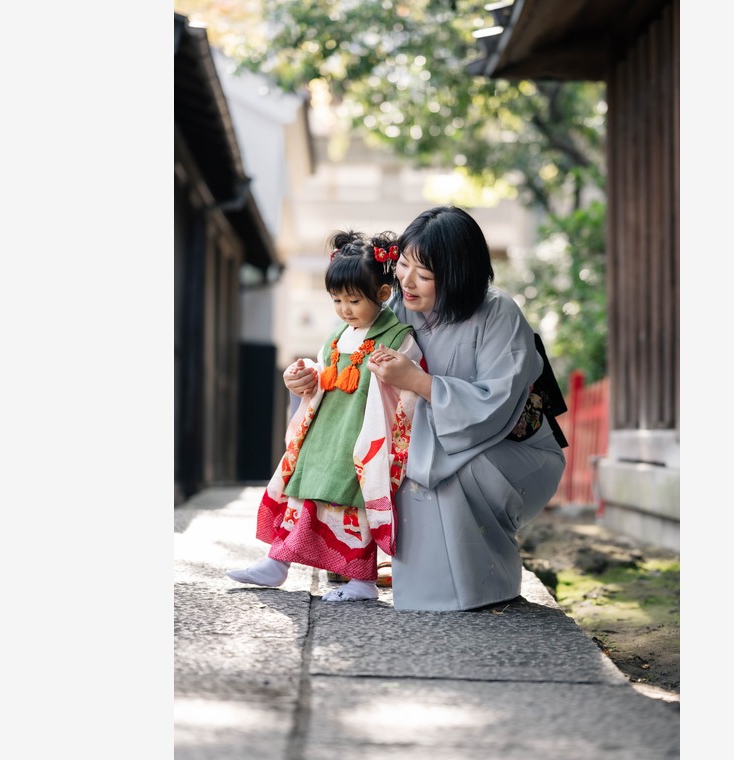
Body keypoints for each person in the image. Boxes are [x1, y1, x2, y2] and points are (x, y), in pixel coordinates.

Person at [287, 206, 568, 611]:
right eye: (402, 266)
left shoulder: (499, 313)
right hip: (426, 436)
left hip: (508, 448)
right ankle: (357, 559)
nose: (406, 281)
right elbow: (344, 362)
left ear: (457, 274)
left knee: (435, 471)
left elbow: (497, 404)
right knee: (367, 452)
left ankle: (476, 585)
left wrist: (418, 382)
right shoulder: (397, 306)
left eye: (424, 274)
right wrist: (309, 379)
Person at [226, 230, 422, 603]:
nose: (345, 309)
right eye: (337, 300)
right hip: (324, 433)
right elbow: (322, 375)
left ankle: (362, 581)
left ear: (383, 294)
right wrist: (304, 378)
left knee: (352, 505)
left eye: (354, 299)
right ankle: (277, 563)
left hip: (359, 436)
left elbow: (409, 384)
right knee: (303, 494)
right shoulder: (336, 336)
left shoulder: (398, 336)